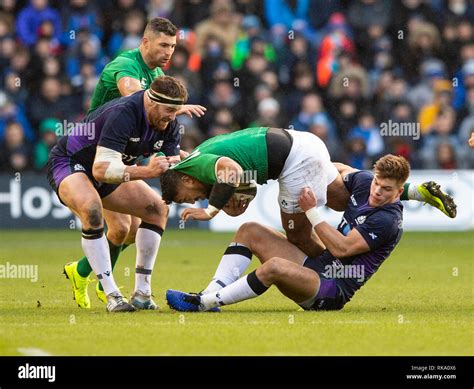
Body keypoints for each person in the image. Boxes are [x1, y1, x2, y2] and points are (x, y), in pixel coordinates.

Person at [68, 17, 206, 308]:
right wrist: (175, 106)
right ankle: (101, 285)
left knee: (127, 230)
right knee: (118, 227)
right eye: (164, 44)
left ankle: (82, 272)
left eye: (173, 45)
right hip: (94, 153)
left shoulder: (156, 72)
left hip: (123, 155)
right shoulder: (126, 65)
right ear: (145, 42)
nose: (169, 51)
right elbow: (134, 95)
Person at [160, 127, 457, 259]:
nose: (194, 200)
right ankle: (415, 192)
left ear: (185, 181)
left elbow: (233, 173)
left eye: (189, 197)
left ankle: (334, 270)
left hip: (293, 162)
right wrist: (233, 203)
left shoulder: (197, 165)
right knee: (342, 199)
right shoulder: (195, 158)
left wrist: (210, 210)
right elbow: (244, 181)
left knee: (298, 236)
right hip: (302, 142)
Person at [165, 155, 409, 312]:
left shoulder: (387, 220)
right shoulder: (366, 183)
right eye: (377, 183)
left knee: (275, 267)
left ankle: (204, 304)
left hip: (331, 289)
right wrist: (307, 172)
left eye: (386, 189)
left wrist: (311, 211)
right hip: (319, 264)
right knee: (250, 231)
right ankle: (209, 292)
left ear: (399, 193)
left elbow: (342, 249)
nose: (377, 191)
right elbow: (336, 169)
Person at [48, 76, 188, 312]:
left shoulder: (170, 124)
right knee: (92, 210)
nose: (172, 117)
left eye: (176, 111)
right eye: (169, 110)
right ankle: (113, 295)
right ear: (152, 103)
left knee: (156, 210)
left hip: (113, 168)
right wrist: (145, 171)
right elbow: (101, 170)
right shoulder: (124, 113)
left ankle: (142, 293)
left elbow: (172, 166)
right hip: (72, 163)